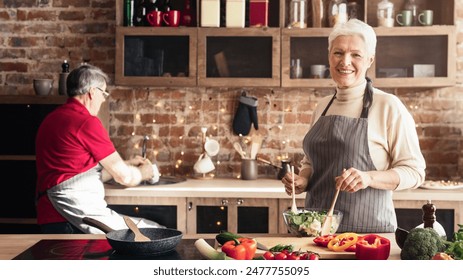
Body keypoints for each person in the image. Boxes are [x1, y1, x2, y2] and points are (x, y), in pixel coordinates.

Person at [282, 19, 426, 233]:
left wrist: (368, 178)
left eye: (355, 55)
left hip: (368, 236)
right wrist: (303, 179)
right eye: (338, 53)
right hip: (314, 233)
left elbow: (415, 172)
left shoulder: (388, 106)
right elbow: (311, 162)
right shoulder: (322, 106)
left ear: (369, 60)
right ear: (329, 56)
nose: (345, 62)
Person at [36, 64, 162, 234]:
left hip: (51, 217)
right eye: (103, 93)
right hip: (72, 219)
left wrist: (126, 163)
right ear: (92, 92)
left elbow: (74, 173)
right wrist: (145, 173)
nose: (104, 99)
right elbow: (124, 177)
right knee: (153, 233)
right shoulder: (86, 122)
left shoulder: (51, 119)